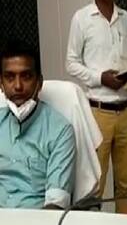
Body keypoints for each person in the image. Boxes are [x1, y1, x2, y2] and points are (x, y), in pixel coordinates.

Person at [66, 0, 127, 214]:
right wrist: (101, 78)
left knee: (125, 184)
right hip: (98, 113)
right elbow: (71, 63)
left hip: (125, 111)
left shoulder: (126, 18)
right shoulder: (81, 19)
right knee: (95, 184)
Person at [0, 40, 75, 209]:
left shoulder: (60, 131)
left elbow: (56, 204)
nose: (17, 86)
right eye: (9, 77)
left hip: (35, 220)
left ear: (39, 83)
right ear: (1, 84)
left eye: (26, 76)